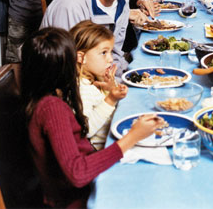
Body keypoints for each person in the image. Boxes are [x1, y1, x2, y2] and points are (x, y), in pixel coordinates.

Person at [21, 27, 164, 207]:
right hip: (80, 199)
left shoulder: (45, 98)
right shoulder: (52, 108)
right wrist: (132, 138)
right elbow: (78, 173)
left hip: (82, 186)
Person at [70, 21, 128, 151]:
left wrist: (110, 89)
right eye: (104, 53)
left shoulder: (94, 79)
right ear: (81, 57)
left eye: (111, 52)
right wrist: (111, 99)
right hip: (101, 151)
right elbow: (86, 130)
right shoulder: (82, 89)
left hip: (112, 138)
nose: (110, 59)